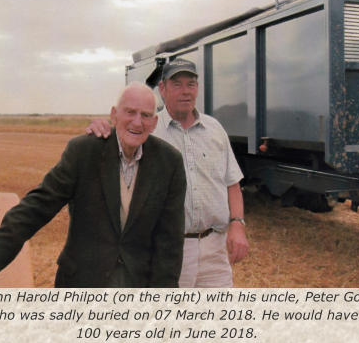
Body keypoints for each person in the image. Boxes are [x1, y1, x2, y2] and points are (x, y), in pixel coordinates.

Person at [0, 82, 186, 288]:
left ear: (154, 122)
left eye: (145, 115)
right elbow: (36, 207)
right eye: (130, 112)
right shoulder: (85, 151)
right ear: (114, 115)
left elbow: (170, 243)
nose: (137, 122)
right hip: (82, 284)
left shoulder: (169, 162)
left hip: (137, 286)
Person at [86, 58, 249, 287]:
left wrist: (237, 223)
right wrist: (100, 129)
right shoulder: (147, 129)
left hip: (215, 250)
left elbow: (232, 183)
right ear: (162, 89)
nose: (185, 92)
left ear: (197, 88)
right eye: (177, 84)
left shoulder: (215, 129)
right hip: (167, 250)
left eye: (190, 84)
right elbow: (116, 146)